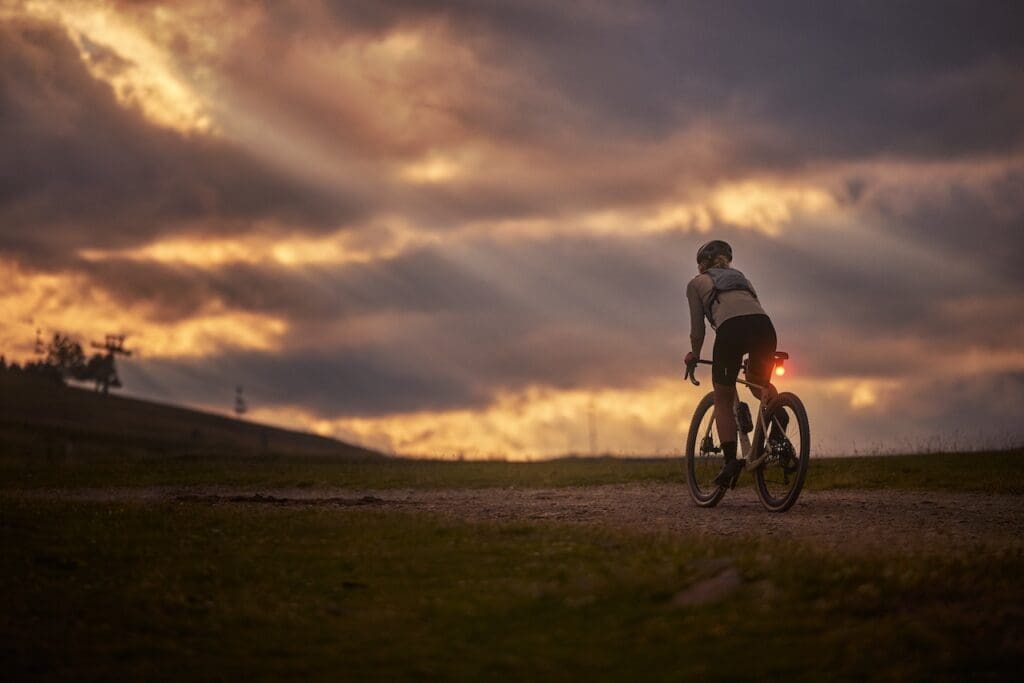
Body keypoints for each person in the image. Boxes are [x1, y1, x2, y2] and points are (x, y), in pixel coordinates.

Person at [684, 239, 777, 487]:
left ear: (702, 265)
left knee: (722, 398)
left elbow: (698, 330)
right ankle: (779, 429)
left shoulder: (696, 284)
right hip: (764, 327)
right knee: (760, 385)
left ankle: (730, 462)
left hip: (731, 331)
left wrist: (694, 354)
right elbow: (752, 309)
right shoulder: (742, 279)